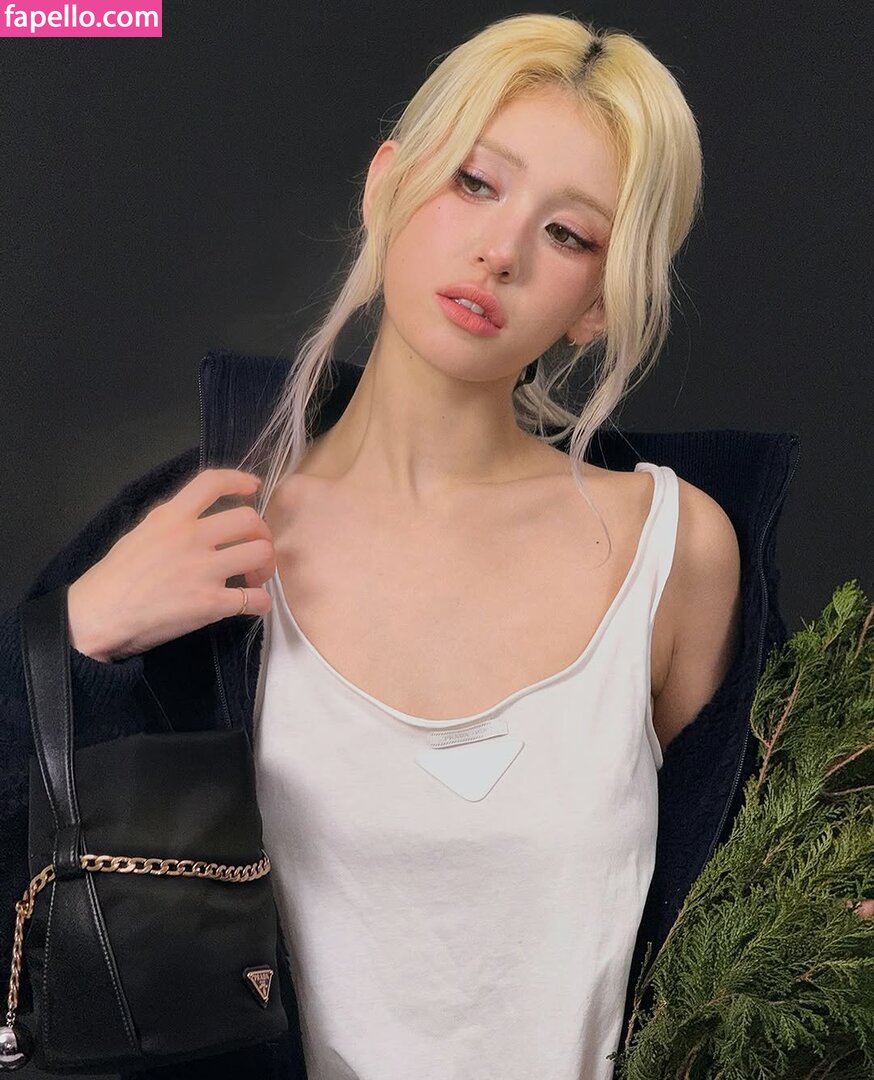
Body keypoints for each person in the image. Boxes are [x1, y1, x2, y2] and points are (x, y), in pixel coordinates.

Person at [1, 12, 759, 1080]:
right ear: (386, 185)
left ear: (598, 302)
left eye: (568, 234)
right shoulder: (208, 530)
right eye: (475, 183)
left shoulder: (674, 549)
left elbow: (746, 901)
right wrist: (79, 634)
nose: (500, 251)